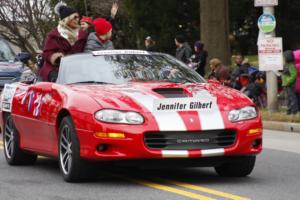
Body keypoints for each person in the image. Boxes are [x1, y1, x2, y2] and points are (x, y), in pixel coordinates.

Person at [39, 2, 88, 82]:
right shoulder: (54, 35)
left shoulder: (83, 33)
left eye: (78, 17)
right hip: (57, 69)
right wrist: (55, 58)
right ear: (67, 19)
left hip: (78, 69)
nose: (77, 20)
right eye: (74, 17)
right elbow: (46, 53)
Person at [281, 50, 298, 115]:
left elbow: (294, 74)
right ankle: (289, 112)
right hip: (286, 85)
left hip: (290, 85)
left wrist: (288, 81)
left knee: (292, 98)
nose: (283, 58)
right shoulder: (287, 65)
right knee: (288, 98)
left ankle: (294, 112)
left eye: (284, 57)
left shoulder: (291, 65)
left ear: (288, 57)